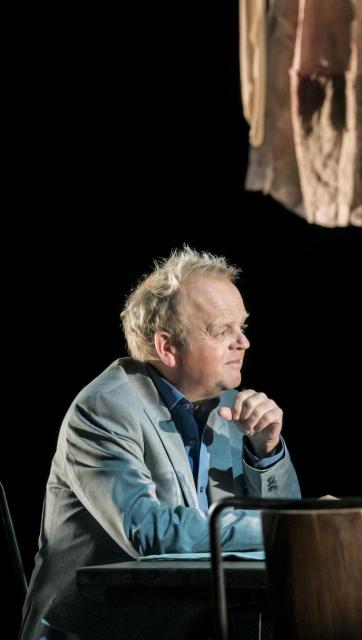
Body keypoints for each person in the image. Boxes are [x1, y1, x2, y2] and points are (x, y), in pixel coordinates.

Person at [21, 247, 301, 639]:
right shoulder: (105, 407)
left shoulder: (227, 407)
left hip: (199, 621)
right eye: (222, 331)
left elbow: (273, 533)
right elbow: (150, 532)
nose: (243, 343)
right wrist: (286, 528)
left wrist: (265, 454)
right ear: (167, 347)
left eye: (243, 328)